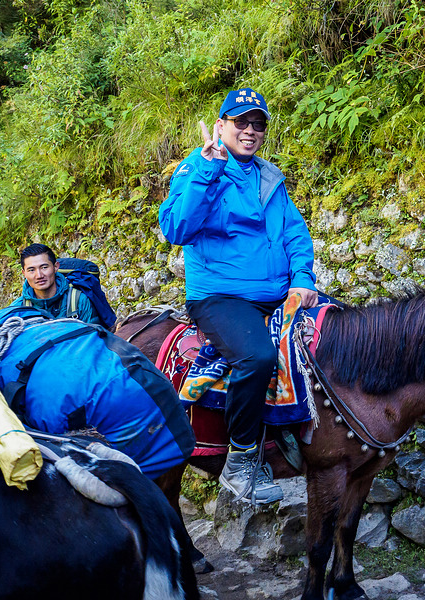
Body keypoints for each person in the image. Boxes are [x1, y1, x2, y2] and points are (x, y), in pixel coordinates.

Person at [158, 87, 317, 504]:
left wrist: (303, 278)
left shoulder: (270, 177)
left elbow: (294, 233)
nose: (250, 130)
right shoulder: (196, 167)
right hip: (220, 296)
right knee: (257, 357)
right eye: (241, 122)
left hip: (277, 291)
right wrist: (208, 169)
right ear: (221, 125)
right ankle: (241, 459)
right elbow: (176, 229)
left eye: (258, 124)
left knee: (334, 333)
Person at [9, 243, 100, 324]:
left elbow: (93, 335)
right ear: (24, 273)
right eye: (31, 270)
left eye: (44, 267)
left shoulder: (78, 301)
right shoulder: (16, 311)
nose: (39, 275)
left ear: (56, 267)